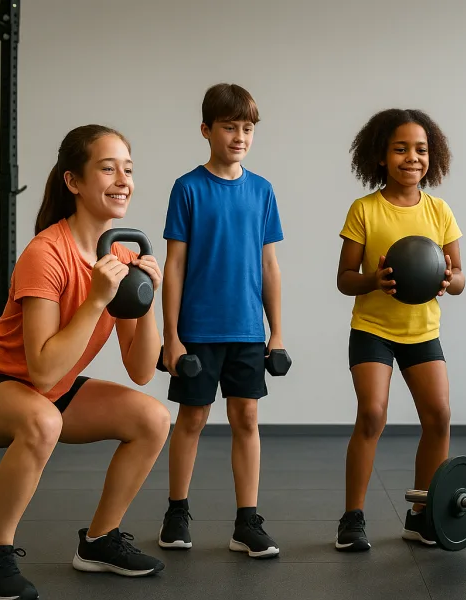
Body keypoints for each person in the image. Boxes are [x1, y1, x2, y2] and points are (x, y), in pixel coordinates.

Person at [0, 125, 171, 600]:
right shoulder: (46, 252)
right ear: (74, 181)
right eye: (108, 168)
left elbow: (141, 370)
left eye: (128, 169)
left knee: (152, 418)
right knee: (42, 420)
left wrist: (149, 299)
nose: (123, 180)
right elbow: (42, 369)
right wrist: (95, 299)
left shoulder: (122, 256)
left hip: (52, 390)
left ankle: (100, 542)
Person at [158, 83, 285, 559]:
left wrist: (277, 332)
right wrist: (171, 337)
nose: (240, 137)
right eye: (230, 127)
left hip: (247, 329)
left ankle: (246, 523)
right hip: (197, 330)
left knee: (246, 418)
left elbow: (269, 266)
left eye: (247, 128)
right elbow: (174, 266)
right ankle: (176, 513)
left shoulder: (262, 191)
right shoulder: (188, 188)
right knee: (191, 418)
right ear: (206, 130)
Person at [335, 108, 465, 552]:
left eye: (421, 150)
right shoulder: (364, 210)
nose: (412, 157)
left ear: (433, 156)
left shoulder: (440, 211)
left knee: (439, 417)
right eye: (401, 149)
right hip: (372, 329)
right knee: (372, 415)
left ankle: (421, 512)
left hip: (422, 332)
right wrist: (375, 279)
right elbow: (344, 279)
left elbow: (460, 277)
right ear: (380, 156)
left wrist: (448, 280)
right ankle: (352, 517)